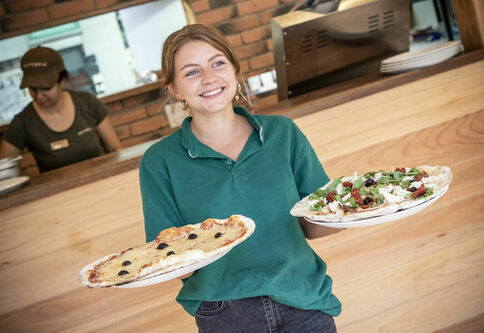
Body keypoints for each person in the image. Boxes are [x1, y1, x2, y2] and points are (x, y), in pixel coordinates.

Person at [139, 24, 343, 332]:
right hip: (226, 314)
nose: (209, 78)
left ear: (235, 70)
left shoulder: (282, 133)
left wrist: (351, 211)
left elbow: (315, 225)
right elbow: (167, 256)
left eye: (217, 63)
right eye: (191, 72)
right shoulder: (159, 162)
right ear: (175, 90)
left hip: (302, 299)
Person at [0, 46, 121, 173]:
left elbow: (115, 150)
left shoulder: (87, 103)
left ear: (62, 80)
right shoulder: (23, 122)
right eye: (33, 89)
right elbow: (4, 171)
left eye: (46, 88)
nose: (39, 96)